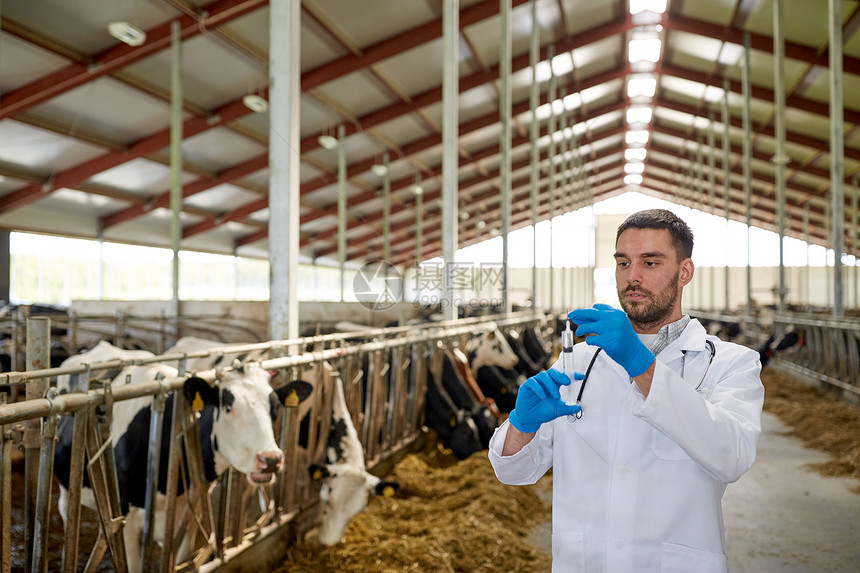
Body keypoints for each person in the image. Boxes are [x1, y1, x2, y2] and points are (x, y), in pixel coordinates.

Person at [488, 209, 764, 573]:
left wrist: (641, 364)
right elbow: (515, 472)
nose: (632, 277)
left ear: (684, 272)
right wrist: (521, 427)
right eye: (623, 263)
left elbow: (733, 456)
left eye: (650, 262)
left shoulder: (729, 363)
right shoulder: (578, 363)